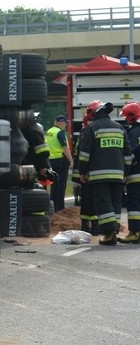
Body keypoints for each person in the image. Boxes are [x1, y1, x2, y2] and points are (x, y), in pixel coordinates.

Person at [77, 100, 134, 245]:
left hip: (98, 175)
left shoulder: (92, 128)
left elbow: (84, 154)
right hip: (118, 175)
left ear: (93, 114)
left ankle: (109, 234)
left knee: (103, 203)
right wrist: (125, 172)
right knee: (115, 204)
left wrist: (82, 171)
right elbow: (128, 154)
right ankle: (113, 231)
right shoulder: (119, 127)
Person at [118, 102, 140, 243]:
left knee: (134, 205)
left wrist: (125, 171)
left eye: (126, 116)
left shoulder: (133, 132)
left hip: (136, 174)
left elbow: (130, 154)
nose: (125, 119)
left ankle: (135, 232)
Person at [45, 115, 73, 212]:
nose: (66, 125)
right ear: (60, 122)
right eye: (65, 123)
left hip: (52, 160)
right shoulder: (59, 133)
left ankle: (53, 206)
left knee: (54, 183)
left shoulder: (49, 132)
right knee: (61, 184)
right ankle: (60, 207)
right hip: (61, 160)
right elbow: (65, 148)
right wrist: (71, 160)